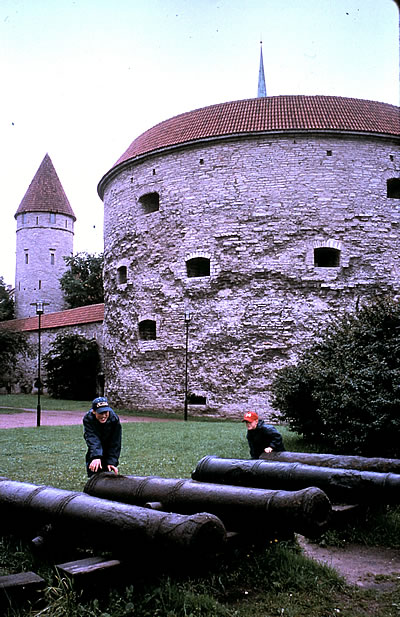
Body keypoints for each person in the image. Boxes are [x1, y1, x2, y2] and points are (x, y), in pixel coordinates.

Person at [83, 396, 122, 477]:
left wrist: (112, 462)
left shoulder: (114, 419)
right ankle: (93, 479)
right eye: (100, 413)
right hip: (96, 444)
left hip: (108, 443)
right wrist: (96, 457)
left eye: (106, 412)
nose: (104, 416)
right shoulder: (88, 419)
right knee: (94, 468)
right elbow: (92, 438)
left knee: (107, 469)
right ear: (94, 412)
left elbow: (115, 442)